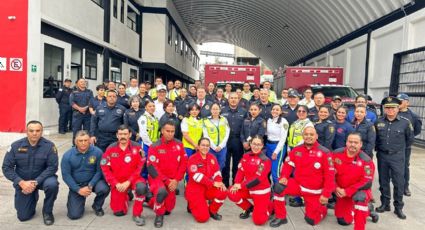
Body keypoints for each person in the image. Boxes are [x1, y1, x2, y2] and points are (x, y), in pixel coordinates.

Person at [270, 127, 335, 227]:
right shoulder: (297, 150)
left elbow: (330, 176)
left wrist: (326, 194)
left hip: (314, 191)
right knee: (279, 187)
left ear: (316, 136)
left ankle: (322, 209)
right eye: (306, 134)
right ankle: (280, 217)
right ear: (303, 136)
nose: (308, 136)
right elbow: (288, 164)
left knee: (311, 220)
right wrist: (284, 177)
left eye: (311, 134)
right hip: (298, 185)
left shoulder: (325, 153)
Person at [2, 121, 59, 225]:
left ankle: (47, 212)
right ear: (26, 131)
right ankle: (32, 196)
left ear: (41, 132)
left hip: (43, 179)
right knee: (23, 216)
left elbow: (52, 167)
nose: (34, 133)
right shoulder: (16, 146)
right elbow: (6, 167)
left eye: (38, 130)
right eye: (31, 131)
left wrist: (36, 182)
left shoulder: (49, 146)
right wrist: (20, 182)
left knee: (52, 185)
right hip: (23, 182)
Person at [375, 97, 413, 219]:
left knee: (398, 182)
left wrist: (399, 152)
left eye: (393, 107)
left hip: (397, 156)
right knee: (383, 181)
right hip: (382, 156)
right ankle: (385, 204)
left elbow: (409, 140)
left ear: (398, 108)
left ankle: (398, 207)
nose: (390, 110)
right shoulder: (378, 121)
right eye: (387, 107)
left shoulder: (405, 122)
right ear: (384, 109)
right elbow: (376, 139)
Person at [100, 125, 147, 226]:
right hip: (118, 182)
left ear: (130, 135)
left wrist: (129, 181)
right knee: (118, 212)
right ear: (117, 135)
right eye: (120, 134)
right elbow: (105, 168)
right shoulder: (110, 148)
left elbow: (140, 167)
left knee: (141, 187)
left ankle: (137, 214)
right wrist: (115, 183)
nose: (123, 136)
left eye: (125, 134)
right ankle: (127, 194)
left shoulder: (137, 147)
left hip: (134, 179)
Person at [147, 121, 188, 228]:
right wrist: (167, 180)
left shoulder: (179, 144)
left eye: (172, 131)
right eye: (167, 131)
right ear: (162, 131)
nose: (170, 133)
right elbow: (152, 167)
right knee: (161, 193)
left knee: (168, 209)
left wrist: (176, 180)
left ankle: (150, 201)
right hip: (157, 179)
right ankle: (158, 215)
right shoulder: (154, 146)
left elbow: (184, 163)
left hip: (173, 180)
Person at [61, 130, 110, 220]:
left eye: (86, 140)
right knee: (74, 215)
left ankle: (97, 206)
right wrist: (78, 189)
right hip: (77, 185)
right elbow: (66, 176)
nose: (83, 143)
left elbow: (99, 171)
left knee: (104, 188)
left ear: (90, 141)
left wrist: (90, 185)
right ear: (75, 141)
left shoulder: (98, 152)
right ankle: (76, 202)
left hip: (93, 183)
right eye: (80, 141)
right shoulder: (67, 155)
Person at [333, 133, 377, 230]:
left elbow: (367, 182)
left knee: (360, 198)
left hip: (357, 191)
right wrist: (336, 188)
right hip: (341, 190)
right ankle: (367, 208)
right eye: (350, 142)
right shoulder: (336, 154)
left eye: (356, 142)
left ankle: (367, 211)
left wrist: (347, 191)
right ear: (346, 142)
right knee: (342, 221)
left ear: (360, 144)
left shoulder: (366, 160)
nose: (352, 144)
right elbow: (329, 173)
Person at [228, 135, 272, 226]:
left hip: (261, 191)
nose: (256, 146)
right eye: (254, 144)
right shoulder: (246, 156)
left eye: (258, 144)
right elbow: (241, 171)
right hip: (248, 189)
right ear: (250, 144)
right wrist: (236, 183)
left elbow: (258, 179)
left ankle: (271, 207)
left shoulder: (265, 160)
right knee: (231, 192)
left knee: (259, 221)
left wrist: (241, 185)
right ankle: (248, 208)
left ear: (262, 145)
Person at [186, 138, 228, 222]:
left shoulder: (212, 157)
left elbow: (217, 172)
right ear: (198, 146)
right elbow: (196, 176)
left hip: (207, 188)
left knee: (223, 191)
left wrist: (219, 182)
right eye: (203, 145)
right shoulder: (192, 159)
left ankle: (212, 211)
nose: (205, 147)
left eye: (207, 145)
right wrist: (213, 183)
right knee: (203, 218)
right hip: (195, 190)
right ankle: (191, 203)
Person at [397, 93, 422, 196]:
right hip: (392, 144)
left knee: (404, 166)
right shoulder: (394, 112)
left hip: (405, 146)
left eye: (401, 101)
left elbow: (416, 130)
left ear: (407, 102)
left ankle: (405, 186)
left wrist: (407, 139)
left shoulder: (413, 117)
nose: (398, 103)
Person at [221, 92, 248, 187]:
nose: (233, 100)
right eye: (231, 98)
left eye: (235, 98)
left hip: (238, 141)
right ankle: (225, 184)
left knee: (237, 164)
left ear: (238, 99)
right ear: (228, 99)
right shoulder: (222, 110)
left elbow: (246, 127)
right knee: (225, 163)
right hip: (225, 141)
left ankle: (236, 184)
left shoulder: (244, 112)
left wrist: (245, 141)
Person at [266, 104, 289, 184]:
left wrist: (276, 152)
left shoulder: (284, 121)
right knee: (267, 169)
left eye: (277, 110)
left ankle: (279, 192)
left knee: (275, 171)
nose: (275, 111)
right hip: (268, 145)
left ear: (281, 111)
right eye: (273, 109)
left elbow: (283, 138)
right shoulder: (269, 120)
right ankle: (270, 190)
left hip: (278, 147)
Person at [202, 103, 230, 170]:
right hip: (210, 148)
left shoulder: (224, 119)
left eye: (217, 109)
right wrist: (214, 147)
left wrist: (221, 146)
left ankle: (218, 179)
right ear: (211, 110)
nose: (215, 111)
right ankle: (211, 180)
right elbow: (206, 135)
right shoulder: (205, 120)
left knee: (221, 165)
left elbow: (227, 133)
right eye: (213, 109)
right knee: (210, 165)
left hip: (222, 148)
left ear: (220, 110)